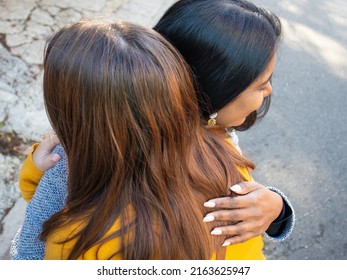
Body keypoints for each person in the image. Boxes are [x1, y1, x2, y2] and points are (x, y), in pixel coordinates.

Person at [11, 0, 294, 260]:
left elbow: (30, 246)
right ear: (218, 89)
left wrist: (276, 208)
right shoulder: (221, 156)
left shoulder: (76, 176)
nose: (270, 90)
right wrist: (276, 209)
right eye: (261, 83)